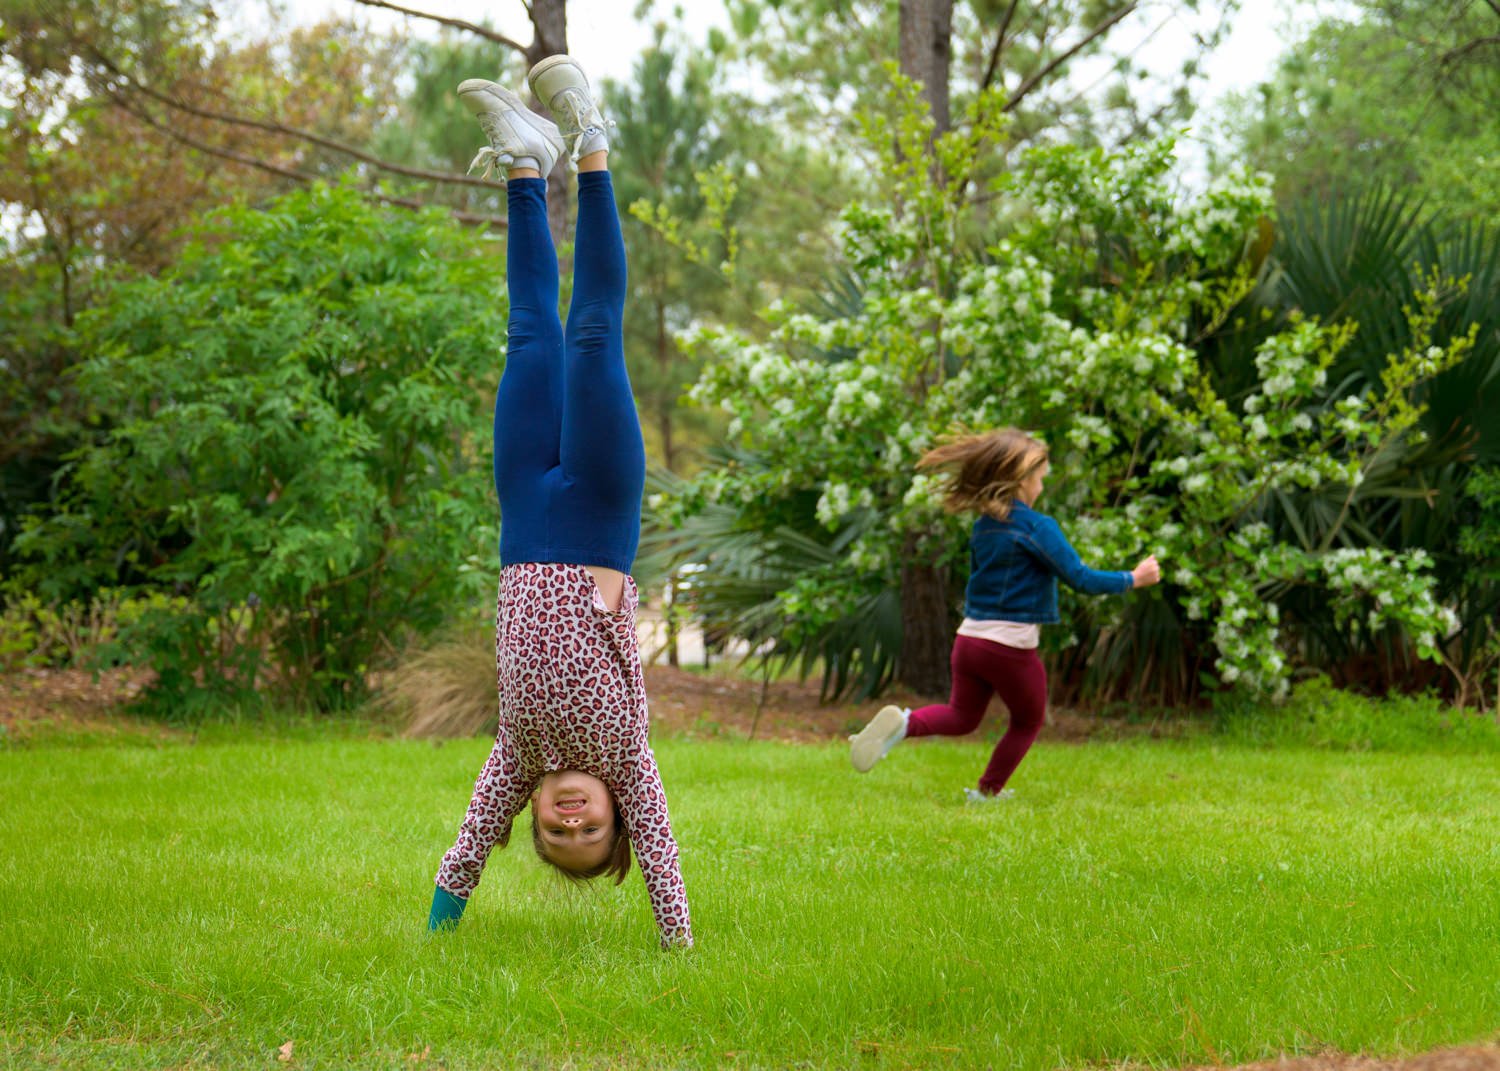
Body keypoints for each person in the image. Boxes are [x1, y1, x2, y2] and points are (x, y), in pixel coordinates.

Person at [426, 56, 690, 949]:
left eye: (554, 832)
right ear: (618, 813)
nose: (571, 820)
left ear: (528, 817)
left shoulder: (513, 762)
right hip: (602, 513)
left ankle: (525, 164)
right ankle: (591, 139)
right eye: (591, 831)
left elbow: (466, 849)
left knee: (530, 331)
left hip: (524, 513)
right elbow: (663, 856)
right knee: (590, 332)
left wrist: (436, 933)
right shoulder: (630, 759)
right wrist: (676, 944)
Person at [848, 428, 1160, 801]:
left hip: (968, 642)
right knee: (1028, 720)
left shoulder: (984, 527)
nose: (1043, 486)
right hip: (1007, 648)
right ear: (1022, 479)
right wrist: (1134, 578)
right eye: (1041, 478)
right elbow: (1080, 578)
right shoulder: (1038, 527)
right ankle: (987, 792)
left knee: (962, 716)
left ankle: (903, 722)